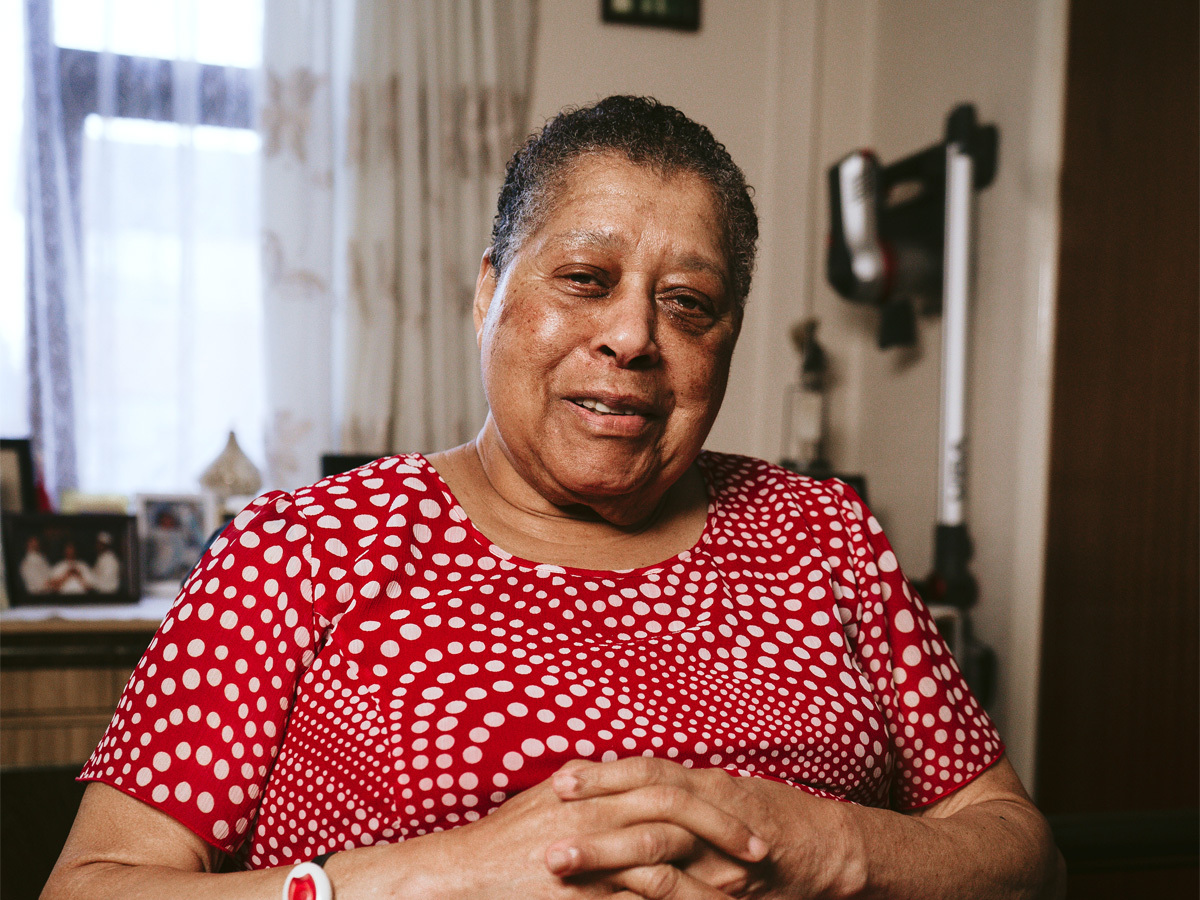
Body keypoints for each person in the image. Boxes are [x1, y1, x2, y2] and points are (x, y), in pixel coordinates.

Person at [45, 96, 1063, 899]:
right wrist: (437, 874)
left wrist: (822, 843)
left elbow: (1023, 857)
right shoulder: (300, 548)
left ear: (728, 341)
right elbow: (91, 888)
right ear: (489, 293)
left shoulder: (824, 536)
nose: (632, 336)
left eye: (689, 304)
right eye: (585, 277)